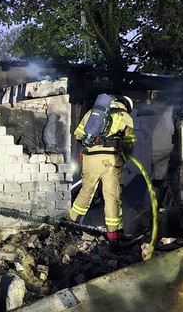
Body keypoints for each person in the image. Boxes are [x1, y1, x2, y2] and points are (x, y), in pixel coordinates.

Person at [70, 95, 136, 251]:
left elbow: (78, 134)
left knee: (86, 192)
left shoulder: (92, 113)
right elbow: (130, 143)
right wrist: (125, 158)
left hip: (89, 158)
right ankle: (115, 238)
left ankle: (71, 225)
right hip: (110, 160)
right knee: (111, 197)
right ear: (126, 105)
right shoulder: (124, 116)